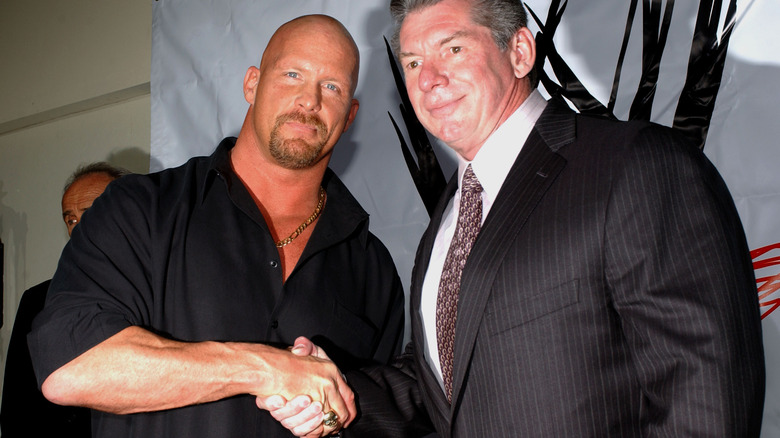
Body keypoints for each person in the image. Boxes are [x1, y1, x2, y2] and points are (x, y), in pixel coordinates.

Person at [271, 0, 765, 436]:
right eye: (414, 61)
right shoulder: (447, 219)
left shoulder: (637, 165)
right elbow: (436, 388)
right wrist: (332, 390)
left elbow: (706, 394)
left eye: (453, 49)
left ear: (521, 52)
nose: (428, 79)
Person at [28, 14, 405, 438]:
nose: (309, 99)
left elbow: (379, 418)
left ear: (350, 114)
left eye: (332, 85)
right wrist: (264, 368)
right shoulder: (140, 208)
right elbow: (71, 366)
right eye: (293, 73)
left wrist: (337, 421)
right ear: (251, 83)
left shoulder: (375, 269)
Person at [1, 162, 128, 437]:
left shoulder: (160, 292)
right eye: (70, 219)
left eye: (91, 211)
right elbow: (16, 405)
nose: (78, 227)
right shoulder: (38, 300)